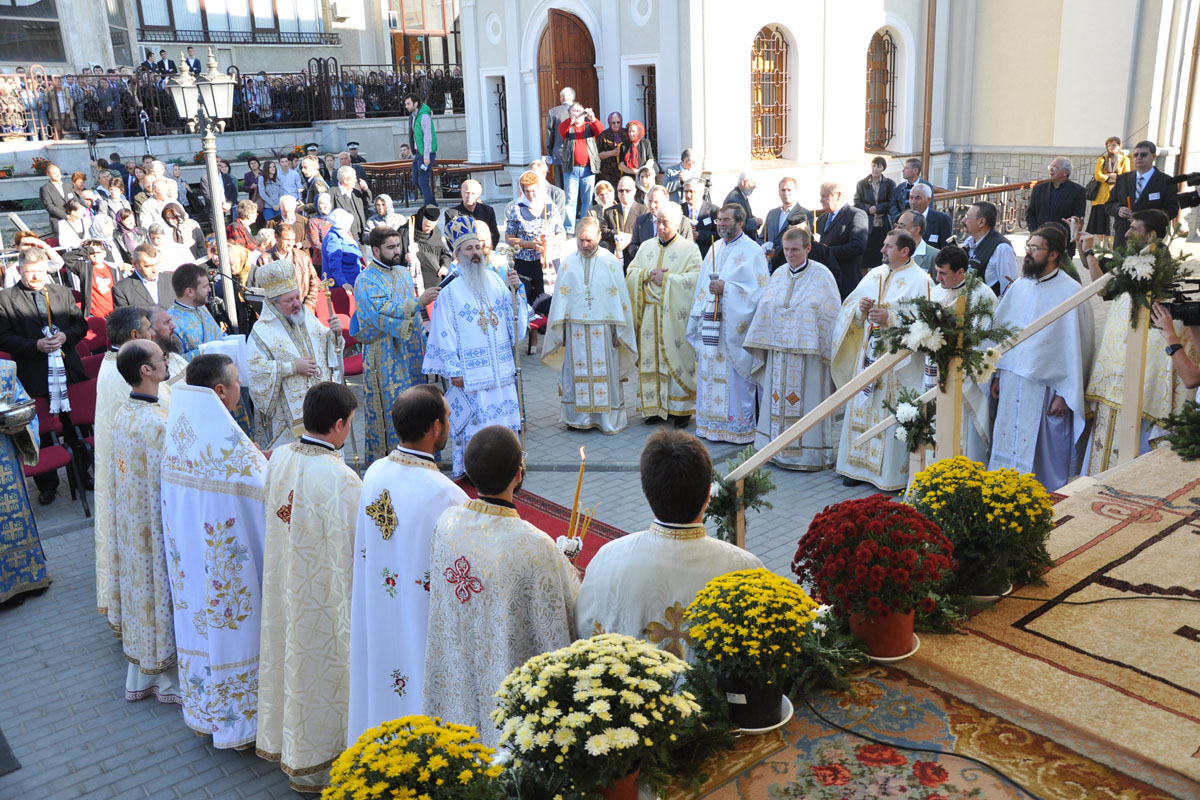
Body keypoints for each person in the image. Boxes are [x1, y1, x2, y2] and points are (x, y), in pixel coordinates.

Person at [422, 426, 579, 748]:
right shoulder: (533, 544)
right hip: (504, 675)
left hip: (459, 671)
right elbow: (569, 609)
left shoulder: (447, 523)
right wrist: (564, 562)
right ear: (519, 474)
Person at [348, 385, 468, 744]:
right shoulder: (446, 495)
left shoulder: (375, 472)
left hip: (380, 613)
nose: (449, 423)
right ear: (435, 428)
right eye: (447, 417)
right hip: (422, 623)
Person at [575, 429, 762, 655]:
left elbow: (584, 630)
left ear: (647, 492)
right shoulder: (746, 569)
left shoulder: (607, 558)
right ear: (708, 497)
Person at [258, 382, 361, 793]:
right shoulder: (342, 477)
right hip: (324, 598)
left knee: (289, 663)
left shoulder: (279, 456)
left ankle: (287, 745)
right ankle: (321, 761)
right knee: (321, 674)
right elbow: (360, 545)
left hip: (286, 586)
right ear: (338, 425)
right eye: (350, 423)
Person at [161, 354, 267, 749]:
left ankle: (207, 712)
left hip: (191, 565)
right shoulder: (224, 446)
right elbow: (263, 489)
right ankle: (240, 726)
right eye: (238, 382)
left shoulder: (183, 424)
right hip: (223, 573)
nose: (243, 389)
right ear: (220, 390)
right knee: (234, 633)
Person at [1079, 211, 1194, 473]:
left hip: (1142, 388)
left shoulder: (1154, 268)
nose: (1127, 233)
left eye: (1133, 228)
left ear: (1151, 235)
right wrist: (1087, 251)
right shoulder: (1134, 262)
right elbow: (1105, 287)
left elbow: (1104, 288)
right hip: (1117, 379)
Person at [106, 338, 183, 704]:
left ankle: (144, 665)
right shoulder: (156, 423)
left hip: (132, 528)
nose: (166, 362)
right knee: (160, 594)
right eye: (160, 359)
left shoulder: (124, 413)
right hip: (153, 530)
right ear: (145, 371)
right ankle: (166, 674)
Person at [989, 226, 1093, 492]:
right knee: (1008, 444)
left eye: (1035, 248)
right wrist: (998, 375)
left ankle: (1046, 500)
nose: (1028, 253)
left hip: (1047, 388)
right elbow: (1002, 335)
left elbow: (1075, 349)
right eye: (1028, 247)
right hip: (1013, 382)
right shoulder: (1019, 287)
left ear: (1054, 254)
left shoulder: (1071, 293)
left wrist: (1065, 394)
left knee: (1045, 451)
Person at [423, 216, 526, 476]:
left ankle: (507, 463)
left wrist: (518, 291)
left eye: (478, 247)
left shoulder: (496, 282)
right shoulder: (449, 292)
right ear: (457, 255)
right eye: (469, 249)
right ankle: (476, 469)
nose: (475, 252)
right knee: (476, 424)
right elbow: (442, 332)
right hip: (470, 376)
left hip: (501, 370)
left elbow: (514, 323)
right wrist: (454, 369)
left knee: (502, 420)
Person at [831, 229, 933, 490]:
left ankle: (888, 476)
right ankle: (855, 467)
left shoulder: (921, 281)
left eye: (888, 247)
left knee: (887, 414)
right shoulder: (875, 274)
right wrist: (860, 311)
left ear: (904, 251)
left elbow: (928, 324)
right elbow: (849, 309)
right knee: (862, 408)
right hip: (868, 355)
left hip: (894, 364)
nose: (882, 250)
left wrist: (891, 319)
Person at [744, 227, 841, 469]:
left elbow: (831, 314)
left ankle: (810, 455)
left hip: (809, 358)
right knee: (776, 400)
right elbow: (766, 307)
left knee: (807, 402)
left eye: (795, 250)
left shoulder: (822, 275)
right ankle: (775, 450)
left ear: (808, 249)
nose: (790, 254)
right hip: (779, 356)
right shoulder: (778, 274)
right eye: (786, 250)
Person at [0, 247, 89, 505]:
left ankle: (81, 476)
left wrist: (66, 336)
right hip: (33, 374)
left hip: (68, 371)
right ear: (19, 270)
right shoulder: (5, 299)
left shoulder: (61, 292)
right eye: (31, 272)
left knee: (75, 425)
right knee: (39, 431)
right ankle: (47, 485)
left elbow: (80, 324)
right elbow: (3, 337)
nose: (37, 276)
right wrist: (34, 345)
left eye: (41, 271)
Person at [540, 216, 637, 433]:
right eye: (580, 240)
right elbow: (560, 301)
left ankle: (606, 420)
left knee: (606, 374)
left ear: (599, 238)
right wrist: (562, 329)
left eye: (589, 241)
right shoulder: (568, 263)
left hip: (603, 330)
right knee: (576, 374)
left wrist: (616, 331)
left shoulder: (610, 262)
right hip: (575, 331)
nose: (584, 245)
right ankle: (579, 419)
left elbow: (618, 300)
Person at [353, 226, 438, 463]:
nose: (397, 251)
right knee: (393, 408)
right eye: (391, 248)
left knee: (417, 403)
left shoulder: (402, 273)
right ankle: (392, 461)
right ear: (376, 251)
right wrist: (417, 302)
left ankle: (422, 455)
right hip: (384, 353)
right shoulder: (366, 280)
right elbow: (379, 311)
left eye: (398, 246)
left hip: (410, 351)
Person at [685, 203, 768, 444]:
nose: (721, 223)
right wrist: (698, 317)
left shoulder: (753, 251)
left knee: (735, 381)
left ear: (740, 223)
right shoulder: (714, 249)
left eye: (726, 220)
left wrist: (727, 289)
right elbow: (703, 286)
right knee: (709, 374)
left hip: (735, 329)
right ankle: (710, 426)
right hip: (712, 328)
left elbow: (760, 292)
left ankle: (737, 429)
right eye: (719, 219)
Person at [247, 260, 344, 449]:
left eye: (297, 297)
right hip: (287, 421)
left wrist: (336, 334)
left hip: (321, 406)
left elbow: (327, 346)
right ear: (273, 303)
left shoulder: (305, 316)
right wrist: (292, 367)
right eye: (288, 300)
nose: (296, 304)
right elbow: (255, 372)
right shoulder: (261, 331)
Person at [94, 307, 153, 616]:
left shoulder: (116, 362)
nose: (153, 332)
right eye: (148, 327)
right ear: (134, 335)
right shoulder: (123, 371)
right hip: (135, 480)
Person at [626, 202, 703, 426]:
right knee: (651, 360)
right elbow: (631, 273)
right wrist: (648, 274)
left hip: (674, 316)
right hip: (649, 314)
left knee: (676, 359)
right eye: (657, 221)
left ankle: (680, 411)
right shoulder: (646, 246)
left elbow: (697, 280)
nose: (659, 227)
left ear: (677, 224)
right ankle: (653, 407)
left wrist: (667, 279)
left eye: (665, 223)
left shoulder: (690, 249)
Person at [928, 245, 997, 462]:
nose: (938, 278)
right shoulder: (937, 291)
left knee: (965, 433)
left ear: (961, 272)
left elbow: (985, 338)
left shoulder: (982, 294)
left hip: (965, 377)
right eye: (937, 272)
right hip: (936, 371)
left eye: (943, 273)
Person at [1105, 140, 1180, 248]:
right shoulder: (1123, 179)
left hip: (1149, 239)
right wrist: (1118, 209)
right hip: (1123, 236)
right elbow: (1109, 204)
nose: (1138, 157)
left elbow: (1172, 210)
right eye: (1136, 155)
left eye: (1143, 155)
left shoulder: (1166, 181)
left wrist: (1144, 218)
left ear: (1153, 156)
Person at [505, 171, 565, 303]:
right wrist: (528, 244)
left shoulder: (550, 208)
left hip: (548, 262)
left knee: (549, 301)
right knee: (528, 301)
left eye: (533, 190)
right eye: (526, 191)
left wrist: (550, 241)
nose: (531, 195)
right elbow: (509, 238)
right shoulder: (517, 209)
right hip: (525, 264)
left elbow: (561, 234)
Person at [556, 101, 603, 235]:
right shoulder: (567, 127)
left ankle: (584, 229)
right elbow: (561, 129)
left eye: (578, 111)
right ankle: (569, 230)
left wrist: (592, 117)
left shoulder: (589, 127)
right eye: (573, 111)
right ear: (569, 114)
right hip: (571, 170)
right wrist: (571, 121)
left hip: (588, 169)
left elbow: (599, 129)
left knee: (587, 201)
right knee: (570, 201)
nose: (576, 114)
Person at [818, 181, 871, 299]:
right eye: (821, 196)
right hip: (824, 283)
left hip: (846, 282)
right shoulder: (821, 219)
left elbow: (858, 246)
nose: (821, 200)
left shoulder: (856, 214)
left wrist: (828, 251)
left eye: (825, 196)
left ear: (838, 195)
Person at [1026, 158, 1088, 256]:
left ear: (1066, 172)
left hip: (1063, 244)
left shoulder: (1078, 191)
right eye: (1051, 166)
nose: (1051, 169)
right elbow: (1030, 214)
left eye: (1055, 167)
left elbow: (1076, 219)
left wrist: (1059, 237)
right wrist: (1036, 233)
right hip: (1038, 243)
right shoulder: (1039, 189)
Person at [167, 262, 223, 361]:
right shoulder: (171, 322)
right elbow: (176, 361)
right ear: (190, 292)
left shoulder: (202, 308)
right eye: (205, 286)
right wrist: (209, 349)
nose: (209, 289)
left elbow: (218, 336)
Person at [262, 223, 320, 313]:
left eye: (293, 240)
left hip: (303, 309)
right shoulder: (265, 259)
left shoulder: (302, 257)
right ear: (276, 237)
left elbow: (314, 282)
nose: (290, 244)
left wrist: (309, 306)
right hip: (278, 314)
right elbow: (263, 291)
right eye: (287, 240)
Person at [763, 176, 814, 273]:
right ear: (779, 192)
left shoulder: (805, 214)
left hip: (790, 264)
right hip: (769, 266)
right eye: (783, 190)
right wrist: (763, 248)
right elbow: (762, 237)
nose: (786, 193)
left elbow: (803, 240)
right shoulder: (772, 213)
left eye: (789, 190)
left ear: (796, 191)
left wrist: (777, 252)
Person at [1087, 136, 1131, 244]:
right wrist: (1110, 177)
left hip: (1114, 197)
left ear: (1119, 147)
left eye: (1114, 145)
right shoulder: (1102, 159)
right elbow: (1098, 176)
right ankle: (1100, 246)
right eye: (1109, 145)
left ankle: (1109, 246)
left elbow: (1125, 176)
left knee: (1110, 225)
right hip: (1100, 197)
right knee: (1100, 223)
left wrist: (1108, 176)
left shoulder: (1124, 159)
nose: (1111, 147)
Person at [855, 156, 896, 269]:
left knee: (881, 256)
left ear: (883, 168)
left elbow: (891, 202)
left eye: (879, 166)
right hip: (867, 225)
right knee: (866, 257)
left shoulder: (889, 184)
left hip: (883, 225)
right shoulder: (862, 184)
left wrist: (878, 208)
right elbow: (857, 202)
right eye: (874, 165)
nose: (875, 169)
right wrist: (869, 209)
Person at [601, 176, 649, 267]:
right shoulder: (609, 211)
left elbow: (645, 235)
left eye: (628, 190)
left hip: (635, 259)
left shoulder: (643, 211)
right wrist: (617, 235)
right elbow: (603, 232)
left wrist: (630, 238)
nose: (624, 193)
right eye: (621, 190)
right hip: (614, 259)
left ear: (634, 191)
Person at [403, 92, 438, 206]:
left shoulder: (424, 117)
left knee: (423, 181)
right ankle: (433, 204)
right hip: (419, 153)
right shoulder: (413, 117)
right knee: (416, 180)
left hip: (426, 154)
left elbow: (428, 137)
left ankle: (429, 207)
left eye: (408, 104)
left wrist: (426, 156)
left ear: (416, 103)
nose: (406, 106)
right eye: (406, 104)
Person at [321, 208, 364, 290]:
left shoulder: (344, 234)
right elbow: (334, 265)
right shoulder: (334, 239)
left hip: (354, 282)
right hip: (344, 286)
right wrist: (343, 283)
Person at [410, 204, 450, 292]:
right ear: (421, 220)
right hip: (416, 285)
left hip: (437, 285)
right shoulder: (406, 232)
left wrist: (445, 266)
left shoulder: (436, 233)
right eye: (427, 226)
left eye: (432, 226)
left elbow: (445, 254)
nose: (429, 229)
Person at [451, 179, 498, 247]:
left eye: (473, 193)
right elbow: (451, 239)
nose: (469, 196)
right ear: (461, 193)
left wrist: (486, 251)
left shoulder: (488, 211)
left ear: (478, 195)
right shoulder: (451, 213)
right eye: (467, 193)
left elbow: (494, 235)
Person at [331, 165, 372, 243]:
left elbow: (368, 202)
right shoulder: (332, 193)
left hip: (360, 236)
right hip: (344, 238)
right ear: (346, 180)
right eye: (354, 178)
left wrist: (365, 190)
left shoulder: (357, 189)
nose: (356, 180)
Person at [887, 157, 934, 226]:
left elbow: (929, 205)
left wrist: (920, 220)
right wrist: (898, 218)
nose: (903, 170)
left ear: (915, 170)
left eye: (906, 168)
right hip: (902, 224)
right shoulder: (900, 187)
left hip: (919, 224)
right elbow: (893, 205)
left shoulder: (926, 186)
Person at [682, 179, 720, 258]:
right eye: (686, 191)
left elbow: (719, 235)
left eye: (692, 191)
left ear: (701, 193)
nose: (688, 195)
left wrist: (700, 235)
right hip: (684, 255)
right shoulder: (679, 210)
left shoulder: (713, 210)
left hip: (706, 256)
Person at [544, 87, 574, 186]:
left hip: (559, 153)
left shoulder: (554, 112)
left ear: (562, 98)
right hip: (577, 153)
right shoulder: (580, 111)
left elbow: (550, 134)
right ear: (573, 98)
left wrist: (549, 153)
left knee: (560, 185)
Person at [722, 169, 762, 242]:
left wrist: (755, 219)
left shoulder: (742, 195)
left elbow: (745, 216)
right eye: (752, 182)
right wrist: (754, 222)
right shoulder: (734, 199)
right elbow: (735, 224)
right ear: (743, 182)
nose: (755, 186)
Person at [906, 184, 950, 249]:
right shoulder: (901, 219)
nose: (913, 202)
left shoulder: (942, 220)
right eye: (911, 197)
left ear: (928, 200)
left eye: (918, 198)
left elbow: (946, 250)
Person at [596, 111, 626, 189]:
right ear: (609, 123)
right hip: (608, 172)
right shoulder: (603, 135)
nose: (616, 125)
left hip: (624, 170)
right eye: (613, 123)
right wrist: (612, 153)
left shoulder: (626, 133)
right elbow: (597, 155)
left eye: (618, 122)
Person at [39, 163, 75, 228]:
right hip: (59, 222)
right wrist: (66, 216)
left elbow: (75, 201)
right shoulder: (45, 189)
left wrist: (74, 214)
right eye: (54, 173)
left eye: (58, 172)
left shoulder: (67, 186)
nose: (57, 175)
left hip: (74, 220)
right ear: (48, 174)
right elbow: (49, 206)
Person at [307, 193, 334, 272]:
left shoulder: (335, 218)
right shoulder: (313, 221)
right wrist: (333, 251)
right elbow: (315, 243)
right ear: (317, 205)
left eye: (327, 203)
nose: (325, 206)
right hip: (321, 262)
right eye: (322, 203)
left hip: (338, 260)